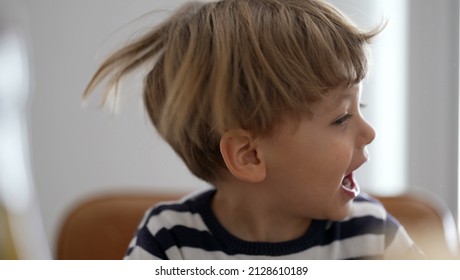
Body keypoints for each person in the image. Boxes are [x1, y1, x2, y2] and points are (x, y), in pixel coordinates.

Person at [83, 0, 422, 259]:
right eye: (341, 117)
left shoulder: (370, 233)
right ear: (250, 155)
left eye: (358, 108)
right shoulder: (170, 242)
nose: (369, 133)